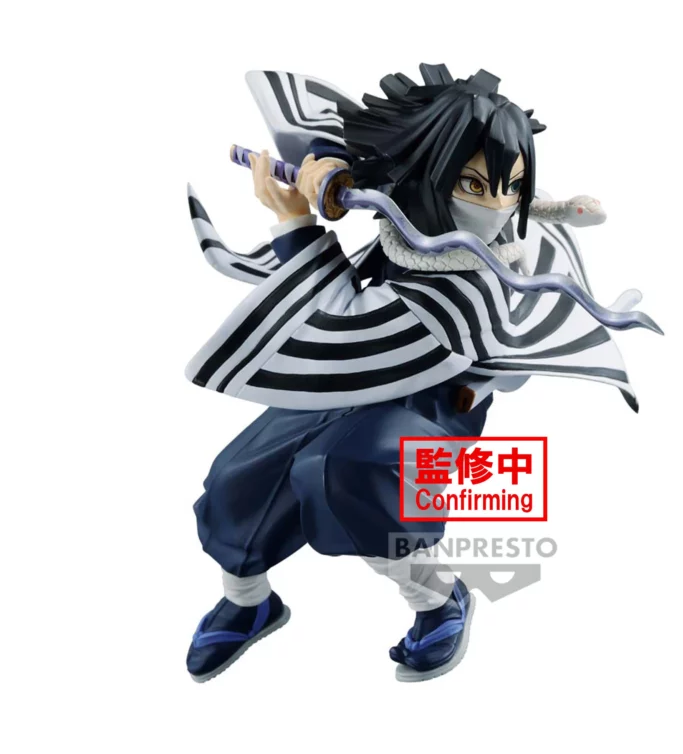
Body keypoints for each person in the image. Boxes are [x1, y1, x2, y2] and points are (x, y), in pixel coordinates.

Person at [185, 63, 635, 683]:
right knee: (239, 475)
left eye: (510, 188)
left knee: (348, 472)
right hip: (358, 374)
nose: (497, 207)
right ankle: (248, 601)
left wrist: (295, 226)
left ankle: (438, 598)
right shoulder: (413, 217)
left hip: (431, 396)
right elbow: (356, 150)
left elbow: (343, 330)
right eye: (473, 184)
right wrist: (331, 170)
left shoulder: (473, 283)